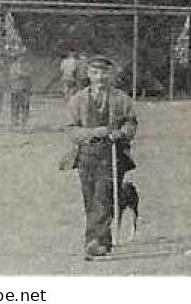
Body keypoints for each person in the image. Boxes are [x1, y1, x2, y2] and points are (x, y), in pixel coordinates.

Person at [63, 55, 137, 261]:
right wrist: (94, 132)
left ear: (110, 74)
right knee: (90, 199)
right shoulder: (77, 100)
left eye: (104, 72)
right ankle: (101, 239)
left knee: (103, 198)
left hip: (112, 154)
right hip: (86, 155)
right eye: (95, 73)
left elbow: (131, 123)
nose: (100, 77)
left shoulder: (121, 99)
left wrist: (120, 134)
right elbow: (71, 130)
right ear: (88, 74)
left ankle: (95, 242)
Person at [7, 50, 33, 127]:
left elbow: (29, 74)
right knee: (15, 105)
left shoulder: (27, 65)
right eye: (19, 57)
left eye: (22, 57)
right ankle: (15, 120)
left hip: (25, 87)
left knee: (25, 104)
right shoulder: (13, 66)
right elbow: (11, 76)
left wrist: (21, 75)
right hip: (15, 88)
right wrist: (21, 75)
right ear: (17, 58)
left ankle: (24, 120)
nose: (21, 58)